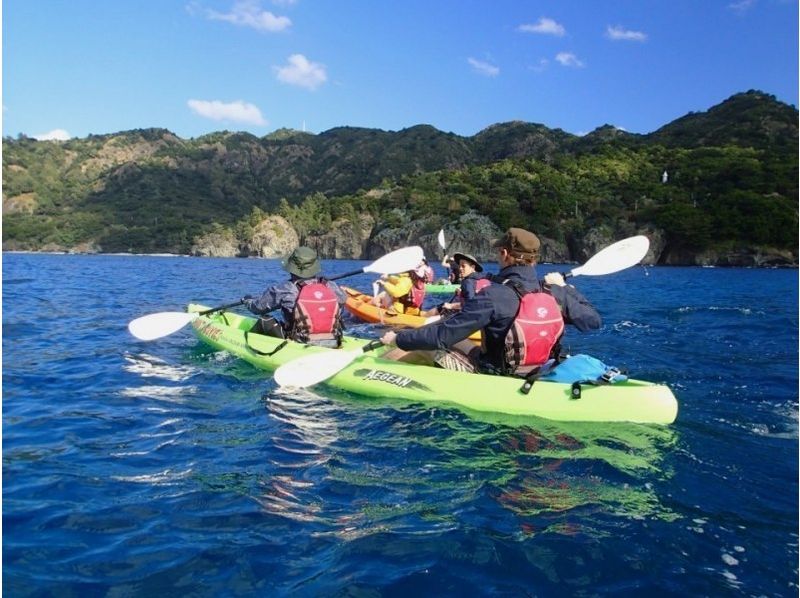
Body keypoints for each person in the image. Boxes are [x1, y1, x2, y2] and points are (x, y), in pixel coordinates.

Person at [380, 228, 601, 375]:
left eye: (498, 252)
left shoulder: (493, 295)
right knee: (463, 342)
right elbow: (593, 321)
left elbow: (441, 336)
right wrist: (566, 289)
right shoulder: (555, 293)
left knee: (425, 347)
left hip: (493, 374)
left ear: (505, 253)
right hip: (537, 370)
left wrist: (398, 338)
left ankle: (379, 370)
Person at [242, 246, 346, 348]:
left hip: (299, 343)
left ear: (292, 269)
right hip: (333, 340)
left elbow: (258, 307)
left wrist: (247, 301)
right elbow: (343, 298)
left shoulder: (286, 288)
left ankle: (246, 345)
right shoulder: (330, 285)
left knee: (265, 320)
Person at [421, 252, 489, 317]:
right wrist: (461, 292)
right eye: (460, 266)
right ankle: (424, 315)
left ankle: (422, 317)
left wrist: (451, 306)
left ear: (473, 267)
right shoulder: (479, 279)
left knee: (441, 307)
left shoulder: (468, 282)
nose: (460, 268)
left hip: (453, 314)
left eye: (463, 266)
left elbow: (470, 305)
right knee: (440, 307)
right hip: (461, 312)